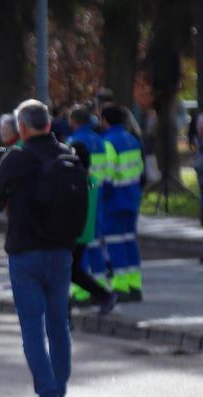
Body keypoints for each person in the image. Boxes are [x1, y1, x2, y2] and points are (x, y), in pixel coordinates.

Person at [0, 99, 76, 397]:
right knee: (59, 325)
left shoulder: (16, 157)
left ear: (22, 128)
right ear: (49, 125)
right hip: (62, 250)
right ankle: (58, 394)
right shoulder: (68, 154)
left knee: (32, 328)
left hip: (25, 252)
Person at [67, 105, 113, 303]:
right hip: (98, 196)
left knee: (79, 254)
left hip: (78, 196)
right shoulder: (101, 142)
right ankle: (101, 287)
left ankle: (82, 293)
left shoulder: (73, 141)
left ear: (74, 121)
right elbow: (109, 172)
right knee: (96, 247)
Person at [99, 105, 145, 301]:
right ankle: (135, 285)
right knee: (129, 241)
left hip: (114, 201)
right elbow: (141, 171)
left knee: (115, 244)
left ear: (105, 121)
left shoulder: (108, 142)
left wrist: (102, 196)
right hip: (132, 198)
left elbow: (107, 176)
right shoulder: (132, 139)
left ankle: (121, 286)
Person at [66, 143, 117, 315]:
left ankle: (105, 295)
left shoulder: (74, 181)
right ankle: (103, 295)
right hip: (86, 232)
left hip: (73, 232)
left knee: (70, 270)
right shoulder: (92, 180)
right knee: (72, 270)